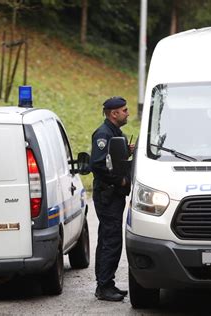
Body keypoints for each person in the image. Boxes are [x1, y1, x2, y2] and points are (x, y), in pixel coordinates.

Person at [90, 96, 134, 302]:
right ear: (114, 113)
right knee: (111, 239)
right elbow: (98, 165)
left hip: (112, 194)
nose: (127, 113)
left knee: (107, 238)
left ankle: (105, 283)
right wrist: (121, 181)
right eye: (124, 110)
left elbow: (113, 158)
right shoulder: (103, 134)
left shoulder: (115, 134)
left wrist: (127, 151)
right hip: (108, 194)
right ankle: (104, 286)